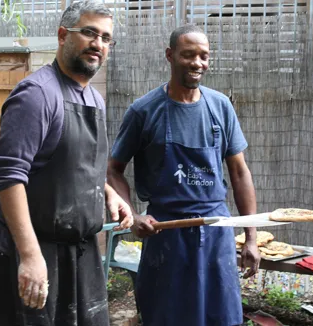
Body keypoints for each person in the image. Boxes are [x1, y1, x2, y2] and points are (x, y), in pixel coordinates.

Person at [0, 0, 133, 326]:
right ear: (63, 35)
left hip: (81, 253)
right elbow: (8, 176)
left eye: (106, 38)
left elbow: (75, 163)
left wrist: (107, 192)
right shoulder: (37, 95)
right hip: (36, 249)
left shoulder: (93, 97)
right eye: (89, 33)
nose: (98, 44)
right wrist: (29, 255)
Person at [107, 24, 261, 326]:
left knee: (221, 317)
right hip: (166, 235)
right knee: (166, 317)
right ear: (170, 55)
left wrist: (250, 238)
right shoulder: (144, 111)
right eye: (189, 55)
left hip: (217, 231)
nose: (197, 63)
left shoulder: (221, 107)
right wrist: (134, 216)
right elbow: (113, 170)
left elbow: (240, 173)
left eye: (204, 56)